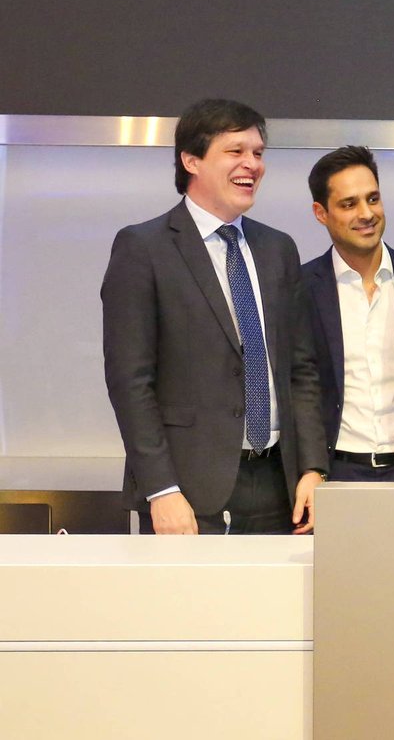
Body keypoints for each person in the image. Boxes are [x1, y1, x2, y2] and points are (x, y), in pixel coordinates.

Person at [102, 99, 326, 533]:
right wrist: (161, 489)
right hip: (187, 491)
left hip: (279, 485)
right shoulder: (143, 248)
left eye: (258, 153)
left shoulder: (278, 249)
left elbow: (301, 370)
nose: (252, 164)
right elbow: (130, 382)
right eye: (235, 151)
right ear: (191, 160)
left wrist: (313, 468)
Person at [302, 146, 394, 482]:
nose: (366, 213)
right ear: (321, 212)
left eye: (373, 199)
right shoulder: (302, 288)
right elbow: (301, 389)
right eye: (349, 204)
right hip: (337, 473)